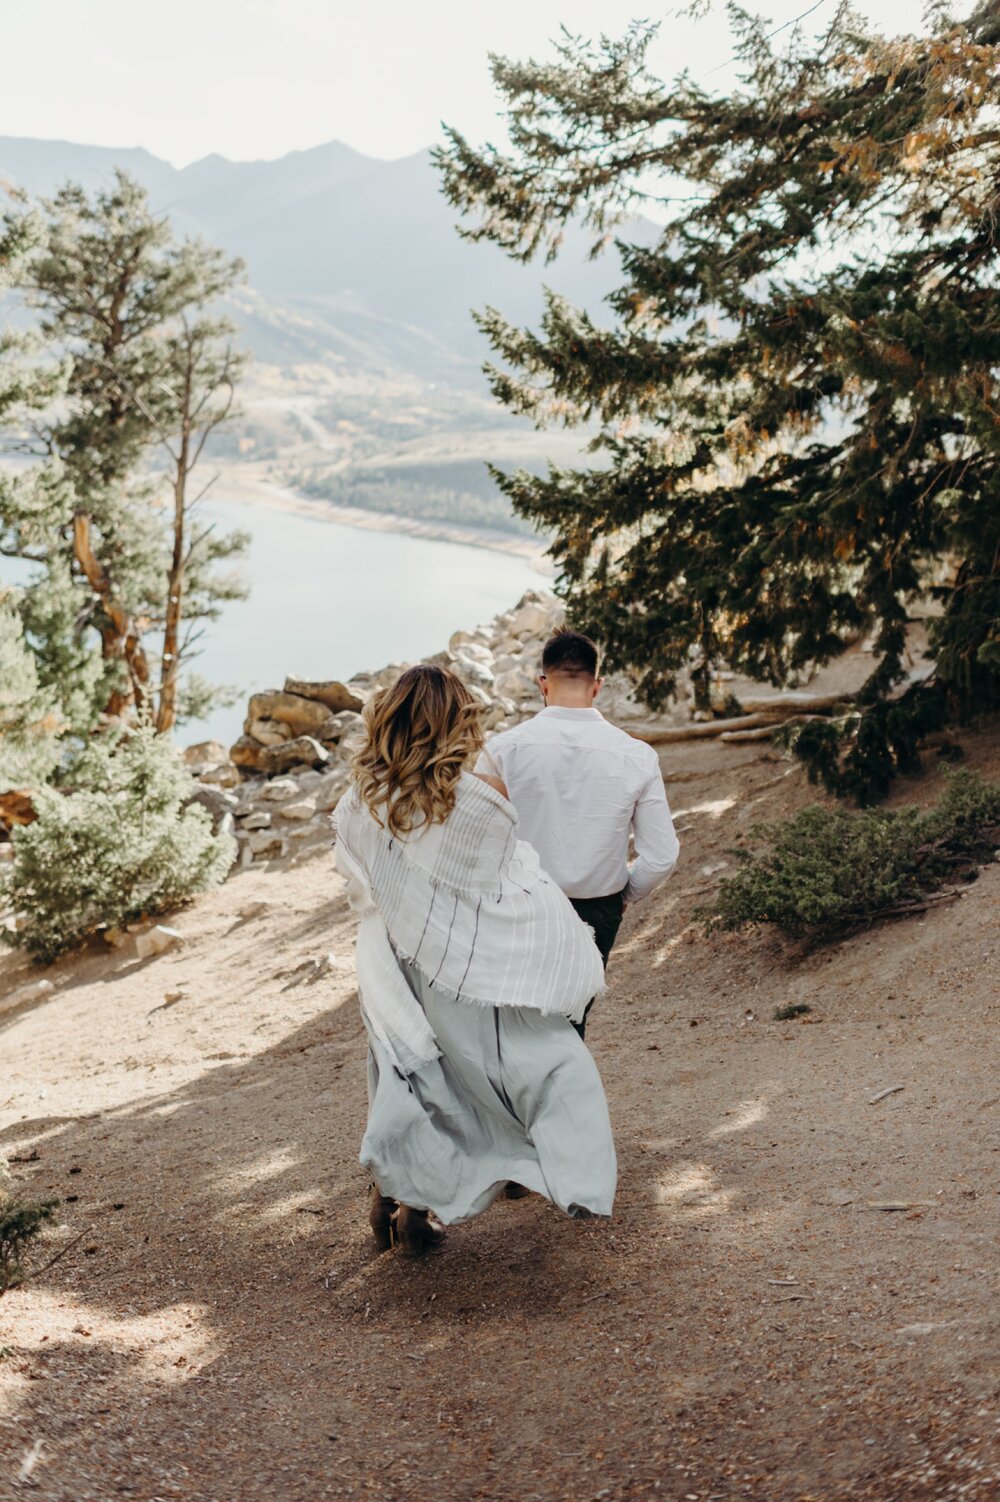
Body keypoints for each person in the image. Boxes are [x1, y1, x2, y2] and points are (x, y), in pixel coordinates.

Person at [333, 664, 617, 1257]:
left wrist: (401, 918)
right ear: (457, 725)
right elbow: (504, 884)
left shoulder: (360, 798)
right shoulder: (481, 802)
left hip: (390, 963)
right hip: (459, 967)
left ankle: (402, 1209)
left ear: (390, 718)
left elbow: (359, 884)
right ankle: (566, 1173)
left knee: (410, 1073)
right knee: (539, 1064)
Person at [477, 628, 680, 1037]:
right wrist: (625, 894)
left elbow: (478, 838)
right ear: (597, 686)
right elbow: (662, 855)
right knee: (569, 1028)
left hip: (520, 904)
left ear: (543, 683)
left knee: (512, 1025)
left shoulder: (502, 749)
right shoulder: (636, 756)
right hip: (596, 908)